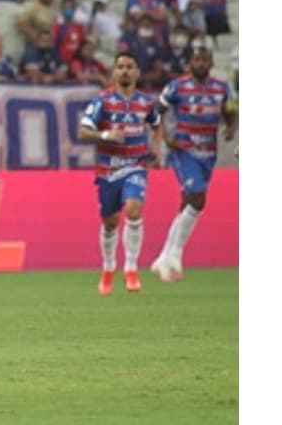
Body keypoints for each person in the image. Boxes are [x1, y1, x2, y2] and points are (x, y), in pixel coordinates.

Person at [77, 52, 166, 296]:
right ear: (114, 72)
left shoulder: (146, 103)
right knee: (110, 222)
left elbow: (157, 125)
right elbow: (84, 132)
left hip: (136, 165)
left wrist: (156, 149)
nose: (125, 71)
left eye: (129, 66)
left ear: (137, 72)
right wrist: (106, 135)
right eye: (120, 67)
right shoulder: (102, 102)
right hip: (108, 169)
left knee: (135, 210)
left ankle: (131, 268)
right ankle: (108, 268)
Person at [152, 47, 237, 282]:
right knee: (198, 196)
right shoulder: (177, 87)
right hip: (183, 150)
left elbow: (231, 112)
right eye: (196, 60)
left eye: (205, 60)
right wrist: (167, 138)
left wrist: (231, 127)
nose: (201, 64)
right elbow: (156, 111)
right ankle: (176, 254)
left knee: (188, 203)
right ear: (189, 63)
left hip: (208, 153)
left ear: (210, 64)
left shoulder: (221, 88)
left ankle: (163, 257)